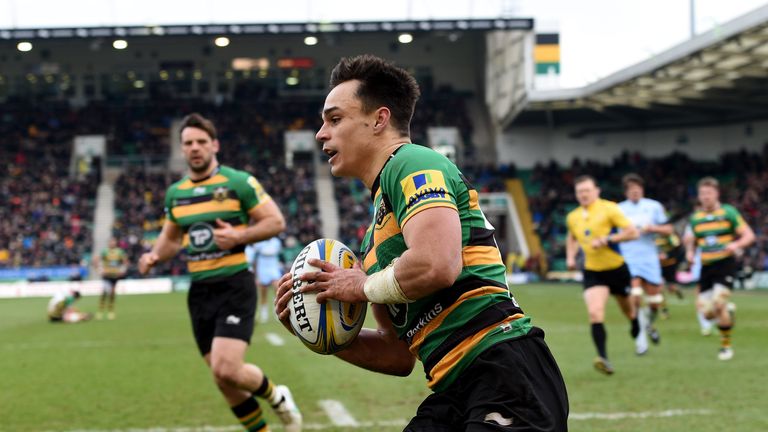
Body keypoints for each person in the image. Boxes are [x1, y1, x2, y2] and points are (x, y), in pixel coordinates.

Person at [275, 55, 568, 432]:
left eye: (334, 119)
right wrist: (323, 336)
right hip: (454, 387)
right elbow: (398, 355)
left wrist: (360, 286)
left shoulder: (411, 162)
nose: (320, 133)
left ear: (379, 119)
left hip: (504, 368)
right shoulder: (375, 236)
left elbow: (437, 265)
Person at [137, 113, 302, 432]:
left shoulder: (238, 182)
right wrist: (154, 256)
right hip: (199, 292)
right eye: (188, 143)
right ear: (181, 149)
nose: (195, 148)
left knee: (227, 368)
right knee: (222, 377)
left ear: (215, 145)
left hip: (234, 285)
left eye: (201, 142)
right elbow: (172, 239)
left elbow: (275, 222)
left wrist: (239, 236)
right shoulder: (176, 194)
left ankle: (278, 396)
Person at [565, 175, 640, 374]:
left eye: (587, 190)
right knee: (595, 312)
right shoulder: (573, 217)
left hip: (616, 269)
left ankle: (634, 320)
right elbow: (571, 237)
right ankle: (603, 357)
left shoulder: (610, 209)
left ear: (596, 191)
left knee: (628, 309)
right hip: (593, 272)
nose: (584, 194)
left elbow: (633, 232)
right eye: (580, 191)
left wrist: (607, 239)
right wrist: (570, 257)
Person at [683, 177, 755, 361]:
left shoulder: (728, 212)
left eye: (709, 193)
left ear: (716, 194)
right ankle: (727, 312)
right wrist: (690, 253)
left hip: (725, 265)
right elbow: (692, 241)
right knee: (706, 313)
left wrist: (735, 245)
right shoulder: (696, 218)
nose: (705, 197)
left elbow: (749, 235)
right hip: (706, 268)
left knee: (718, 304)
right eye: (702, 194)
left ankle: (725, 347)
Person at [617, 173, 673, 355]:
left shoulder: (654, 206)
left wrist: (653, 228)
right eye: (631, 189)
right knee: (635, 297)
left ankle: (648, 324)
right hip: (628, 259)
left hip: (649, 258)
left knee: (655, 302)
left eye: (637, 188)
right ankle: (641, 344)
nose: (635, 192)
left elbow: (669, 229)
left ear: (642, 190)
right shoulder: (618, 209)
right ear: (626, 192)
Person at [245, 236, 283, 323]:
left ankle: (277, 311)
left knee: (277, 290)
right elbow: (254, 259)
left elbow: (278, 254)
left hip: (273, 267)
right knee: (263, 293)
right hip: (262, 268)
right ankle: (264, 313)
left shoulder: (276, 242)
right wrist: (256, 274)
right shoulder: (258, 242)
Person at [94, 237, 128, 320]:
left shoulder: (119, 251)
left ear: (116, 243)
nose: (112, 243)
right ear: (108, 243)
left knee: (112, 293)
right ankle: (100, 310)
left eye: (114, 242)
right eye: (111, 242)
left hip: (115, 275)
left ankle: (111, 311)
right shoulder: (105, 251)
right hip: (106, 275)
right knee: (104, 293)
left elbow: (125, 261)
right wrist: (99, 270)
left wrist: (122, 270)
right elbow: (96, 260)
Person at [656, 230, 685, 319]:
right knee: (659, 288)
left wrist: (667, 255)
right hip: (656, 265)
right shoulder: (651, 236)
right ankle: (664, 310)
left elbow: (678, 248)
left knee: (671, 288)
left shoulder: (670, 235)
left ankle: (676, 290)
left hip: (669, 265)